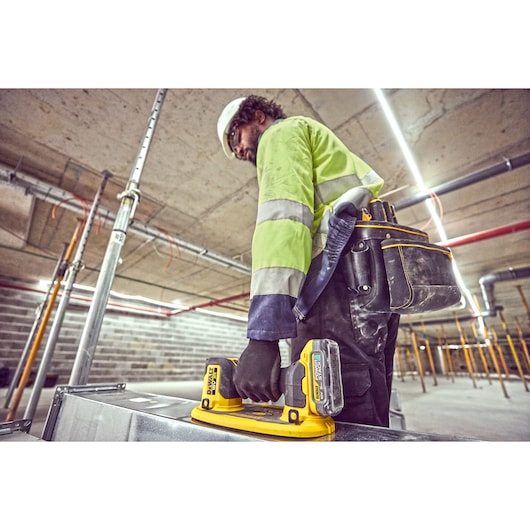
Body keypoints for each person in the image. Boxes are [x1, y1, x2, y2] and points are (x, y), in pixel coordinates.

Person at [217, 95, 400, 427]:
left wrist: (264, 335)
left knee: (332, 403)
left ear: (257, 116)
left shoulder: (279, 135)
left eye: (236, 138)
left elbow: (284, 222)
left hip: (338, 278)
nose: (240, 152)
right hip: (367, 271)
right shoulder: (307, 134)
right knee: (367, 393)